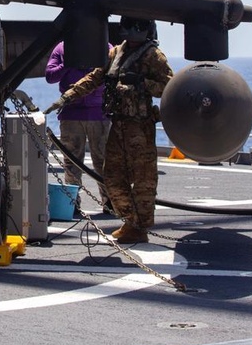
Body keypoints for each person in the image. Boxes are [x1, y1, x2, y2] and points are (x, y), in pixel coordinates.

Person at [44, 17, 173, 244]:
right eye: (127, 25)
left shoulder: (154, 56)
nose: (129, 30)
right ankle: (129, 220)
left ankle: (140, 227)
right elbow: (96, 77)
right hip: (118, 123)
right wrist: (67, 97)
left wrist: (142, 83)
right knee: (112, 176)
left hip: (139, 126)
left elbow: (169, 88)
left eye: (135, 26)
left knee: (143, 180)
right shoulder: (116, 54)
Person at [45, 41, 111, 212]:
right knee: (72, 161)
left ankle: (109, 201)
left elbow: (115, 73)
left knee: (103, 161)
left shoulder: (106, 48)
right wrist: (68, 64)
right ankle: (72, 203)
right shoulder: (62, 49)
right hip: (72, 114)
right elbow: (50, 76)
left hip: (98, 113)